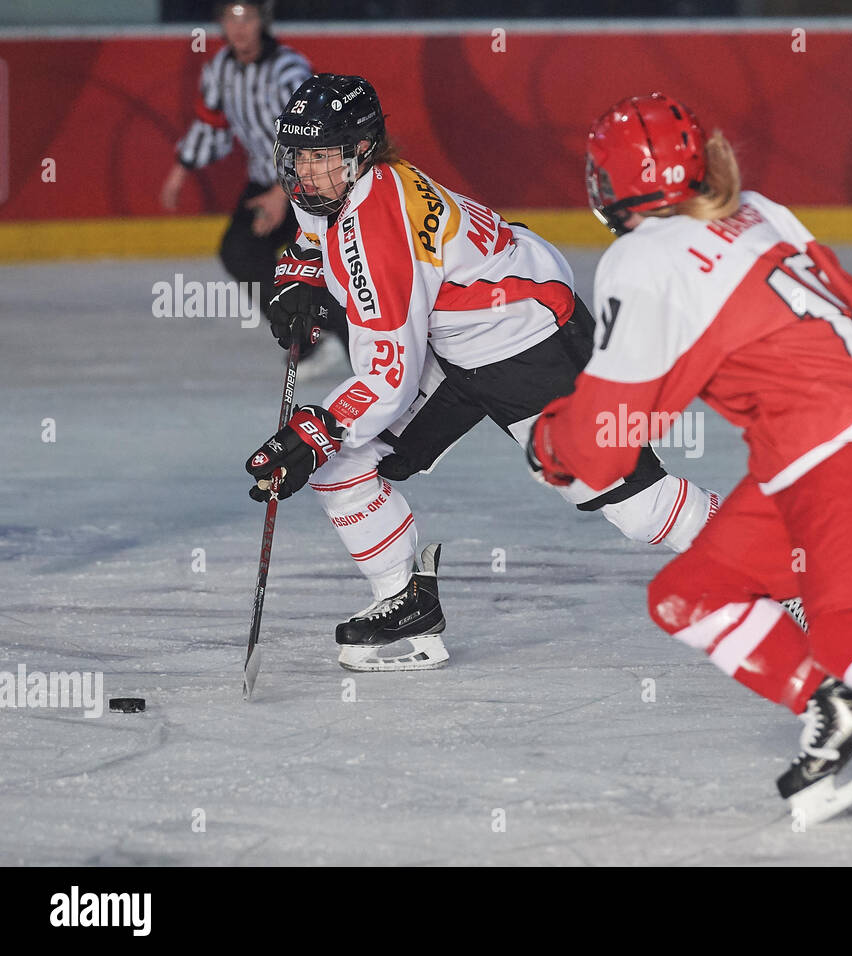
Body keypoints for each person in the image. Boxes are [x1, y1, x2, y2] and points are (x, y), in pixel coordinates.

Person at [527, 93, 852, 846]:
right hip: (840, 446)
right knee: (691, 591)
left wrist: (551, 446)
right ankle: (838, 711)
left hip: (840, 454)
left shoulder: (640, 258)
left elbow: (611, 434)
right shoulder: (756, 209)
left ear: (607, 183)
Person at [241, 74, 722, 676]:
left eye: (322, 158)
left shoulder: (378, 230)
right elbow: (322, 232)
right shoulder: (353, 186)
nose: (307, 174)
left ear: (360, 152)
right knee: (342, 464)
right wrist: (303, 271)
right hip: (458, 346)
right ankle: (406, 599)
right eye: (300, 157)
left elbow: (387, 378)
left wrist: (321, 425)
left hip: (529, 342)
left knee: (639, 511)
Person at [159, 1, 346, 373]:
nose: (239, 27)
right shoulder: (220, 70)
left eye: (248, 17)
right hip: (265, 182)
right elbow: (211, 127)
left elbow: (311, 137)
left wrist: (284, 194)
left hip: (313, 185)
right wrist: (180, 171)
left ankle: (365, 346)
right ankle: (307, 338)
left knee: (331, 267)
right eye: (231, 18)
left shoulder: (288, 69)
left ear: (263, 21)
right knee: (239, 253)